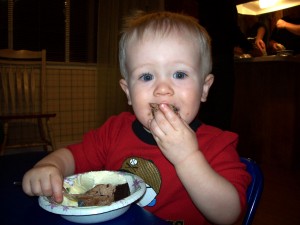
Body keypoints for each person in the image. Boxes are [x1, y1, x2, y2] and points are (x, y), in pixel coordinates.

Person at [22, 11, 251, 225]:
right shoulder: (114, 131)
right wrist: (50, 165)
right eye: (147, 76)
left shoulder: (218, 145)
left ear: (204, 88)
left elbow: (229, 214)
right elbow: (74, 155)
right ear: (128, 92)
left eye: (179, 74)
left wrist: (188, 157)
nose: (162, 88)